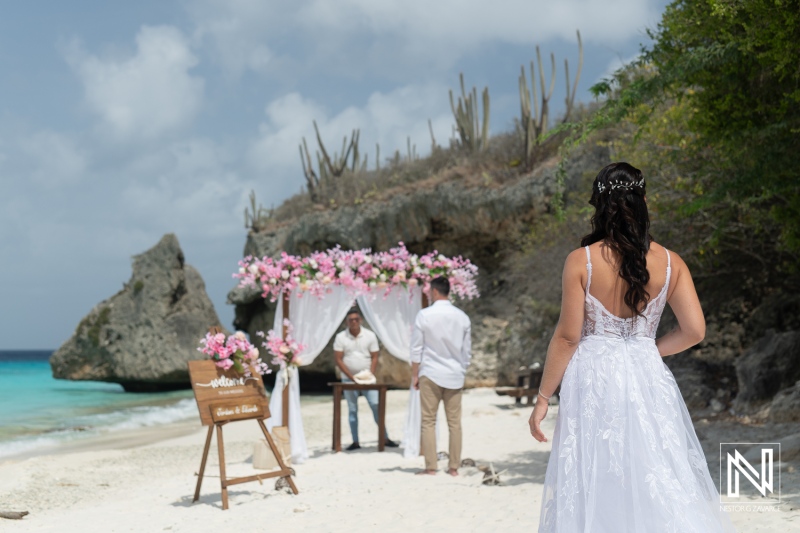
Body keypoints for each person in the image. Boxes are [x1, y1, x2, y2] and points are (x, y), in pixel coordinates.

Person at [529, 163, 735, 532]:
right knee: (653, 464)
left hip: (593, 375)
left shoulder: (582, 261)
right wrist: (649, 350)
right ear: (643, 200)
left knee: (596, 470)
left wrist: (544, 397)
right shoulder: (672, 263)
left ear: (598, 204)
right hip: (646, 370)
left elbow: (567, 337)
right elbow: (694, 331)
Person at [411, 276, 472, 476]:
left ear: (435, 292)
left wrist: (415, 375)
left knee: (428, 421)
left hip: (430, 372)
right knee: (454, 423)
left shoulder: (424, 315)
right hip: (454, 374)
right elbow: (467, 352)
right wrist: (461, 370)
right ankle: (453, 467)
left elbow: (416, 348)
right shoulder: (462, 317)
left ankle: (431, 467)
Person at [333, 307, 398, 450]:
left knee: (376, 406)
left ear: (360, 320)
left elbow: (375, 356)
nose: (354, 322)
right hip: (348, 379)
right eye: (351, 320)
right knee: (352, 409)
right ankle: (355, 441)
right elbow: (338, 359)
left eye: (356, 319)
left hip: (368, 378)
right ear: (346, 322)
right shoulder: (340, 337)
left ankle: (384, 437)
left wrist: (369, 374)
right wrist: (351, 377)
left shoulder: (369, 335)